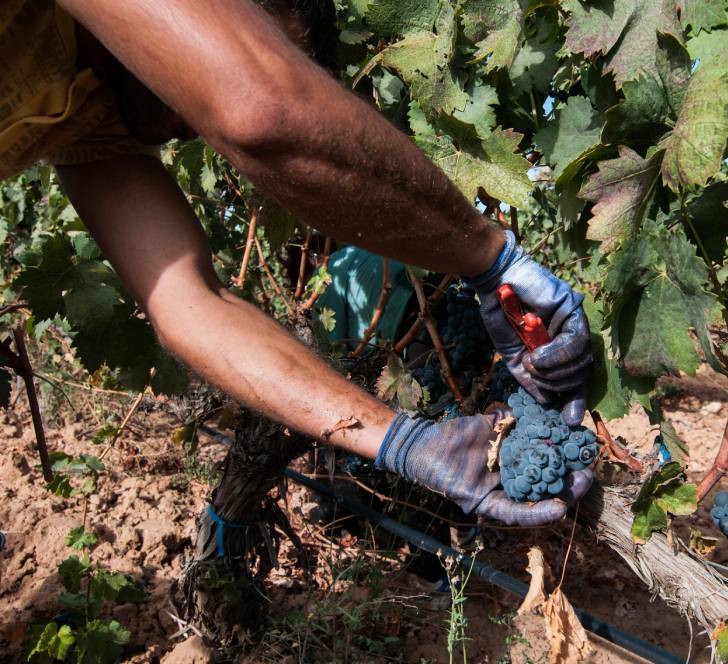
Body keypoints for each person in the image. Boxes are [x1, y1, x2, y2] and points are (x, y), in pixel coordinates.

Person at [0, 0, 594, 526]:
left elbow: (191, 307)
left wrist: (405, 442)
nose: (191, 127)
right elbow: (259, 105)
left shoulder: (96, 129)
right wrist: (493, 262)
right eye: (252, 35)